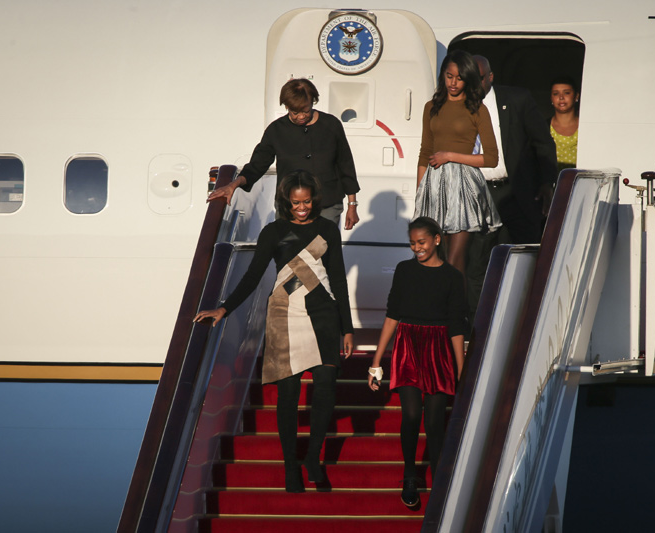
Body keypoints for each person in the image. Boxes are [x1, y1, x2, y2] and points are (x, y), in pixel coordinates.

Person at [194, 170, 354, 493]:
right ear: (286, 201)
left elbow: (337, 279)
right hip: (283, 312)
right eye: (296, 202)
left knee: (326, 385)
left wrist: (347, 328)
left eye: (307, 201)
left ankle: (312, 458)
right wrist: (224, 308)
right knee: (289, 394)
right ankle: (290, 466)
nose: (302, 207)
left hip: (323, 311)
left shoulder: (327, 230)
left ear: (314, 199)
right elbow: (253, 277)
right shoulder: (273, 232)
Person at [367, 216, 468, 508]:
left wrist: (461, 371)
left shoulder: (452, 276)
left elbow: (456, 326)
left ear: (437, 239)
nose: (416, 248)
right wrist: (376, 363)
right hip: (408, 345)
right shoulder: (404, 270)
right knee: (411, 415)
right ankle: (410, 475)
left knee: (435, 421)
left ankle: (438, 483)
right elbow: (392, 314)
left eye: (421, 242)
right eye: (412, 243)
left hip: (439, 350)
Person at [465, 54, 558, 317]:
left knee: (523, 258)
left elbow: (543, 143)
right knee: (476, 265)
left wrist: (546, 183)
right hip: (477, 194)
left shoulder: (516, 100)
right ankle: (477, 326)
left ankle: (524, 319)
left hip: (516, 193)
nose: (472, 85)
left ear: (490, 77)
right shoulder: (458, 104)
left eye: (478, 79)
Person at [209, 78, 361, 230]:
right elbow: (257, 165)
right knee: (288, 252)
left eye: (306, 111)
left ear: (313, 102)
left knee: (319, 252)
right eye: (295, 112)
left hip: (326, 205)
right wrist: (233, 184)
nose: (301, 116)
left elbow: (345, 164)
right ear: (286, 106)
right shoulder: (276, 130)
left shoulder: (331, 125)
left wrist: (352, 205)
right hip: (289, 207)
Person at [415, 49, 501, 279]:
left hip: (464, 188)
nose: (453, 82)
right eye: (449, 76)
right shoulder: (430, 107)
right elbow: (425, 153)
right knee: (433, 259)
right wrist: (420, 193)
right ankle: (433, 312)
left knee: (454, 262)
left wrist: (449, 156)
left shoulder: (477, 109)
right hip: (434, 187)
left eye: (459, 77)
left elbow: (491, 158)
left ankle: (455, 315)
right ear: (443, 75)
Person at [549, 76, 580, 173]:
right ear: (551, 98)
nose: (561, 97)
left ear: (576, 96)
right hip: (551, 185)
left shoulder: (586, 127)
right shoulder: (543, 127)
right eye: (556, 94)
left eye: (566, 93)